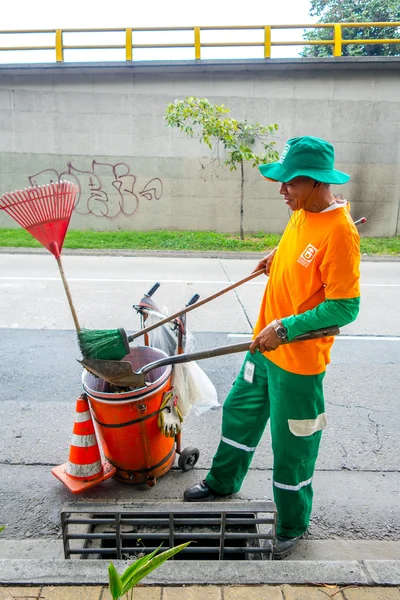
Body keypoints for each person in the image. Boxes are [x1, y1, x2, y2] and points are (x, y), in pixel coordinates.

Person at [183, 136, 361, 559]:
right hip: (261, 346)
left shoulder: (341, 233)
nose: (282, 190)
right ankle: (223, 482)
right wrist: (275, 256)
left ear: (317, 183)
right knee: (240, 415)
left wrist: (286, 328)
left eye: (290, 184)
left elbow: (345, 306)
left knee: (292, 447)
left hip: (297, 362)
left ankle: (293, 522)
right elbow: (300, 253)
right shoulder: (302, 213)